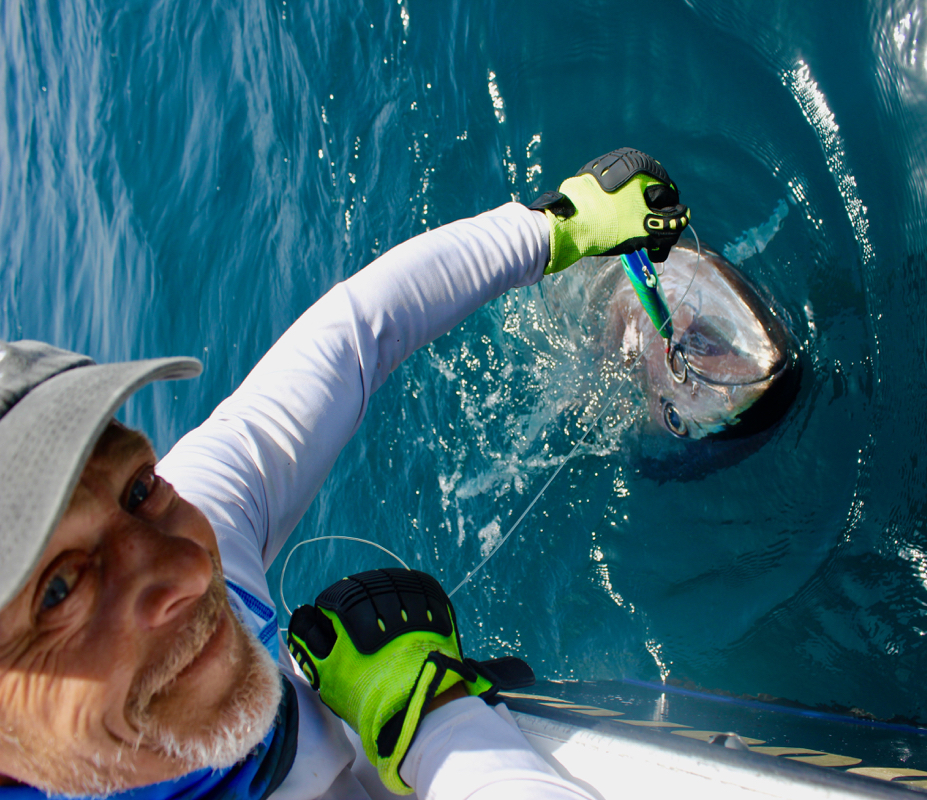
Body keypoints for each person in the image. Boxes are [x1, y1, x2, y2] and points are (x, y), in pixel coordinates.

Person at [0, 149, 688, 800]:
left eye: (139, 488)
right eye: (58, 591)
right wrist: (432, 718)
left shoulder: (195, 540)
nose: (184, 571)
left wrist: (555, 229)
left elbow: (355, 332)